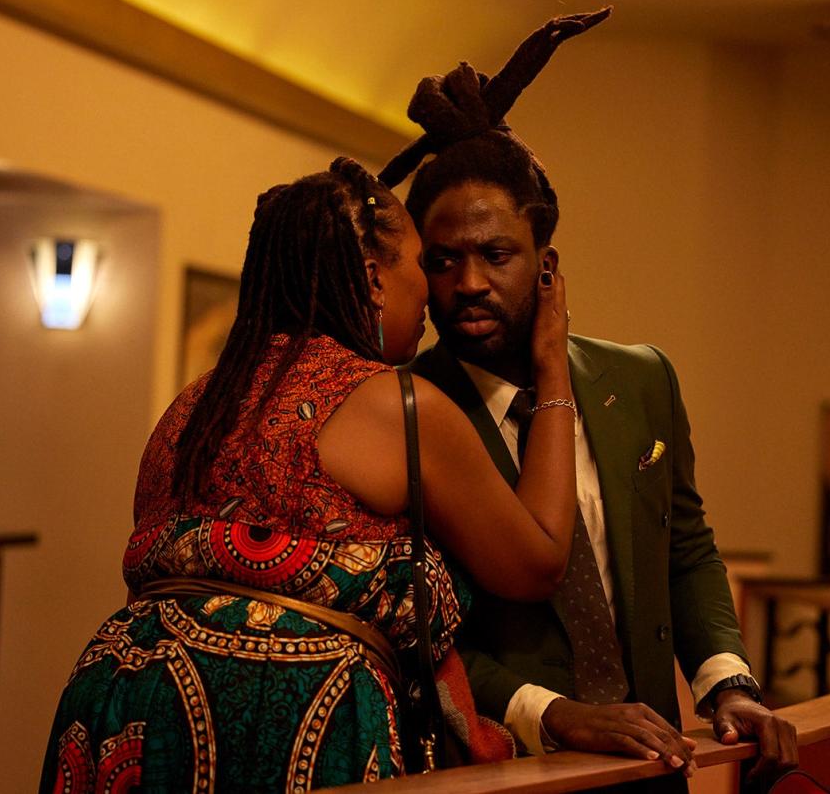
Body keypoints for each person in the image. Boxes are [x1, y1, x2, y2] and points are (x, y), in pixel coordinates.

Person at [39, 157, 583, 792]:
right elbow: (537, 560)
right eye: (418, 264)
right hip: (279, 715)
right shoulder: (396, 406)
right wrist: (552, 368)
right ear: (376, 280)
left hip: (120, 701)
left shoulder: (192, 406)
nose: (433, 293)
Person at [378, 9, 798, 788]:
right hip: (502, 768)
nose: (469, 283)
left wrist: (727, 680)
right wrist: (555, 712)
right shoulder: (402, 412)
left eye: (496, 254)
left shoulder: (640, 378)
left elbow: (684, 547)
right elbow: (409, 623)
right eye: (444, 260)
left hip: (651, 763)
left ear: (546, 263)